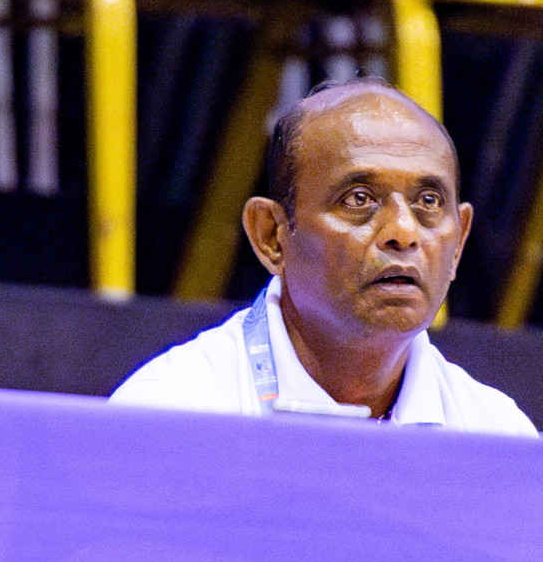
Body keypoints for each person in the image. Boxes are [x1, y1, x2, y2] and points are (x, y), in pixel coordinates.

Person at [110, 77, 535, 435]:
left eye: (428, 201)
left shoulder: (497, 435)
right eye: (359, 198)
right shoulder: (171, 414)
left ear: (459, 241)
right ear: (272, 236)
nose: (404, 232)